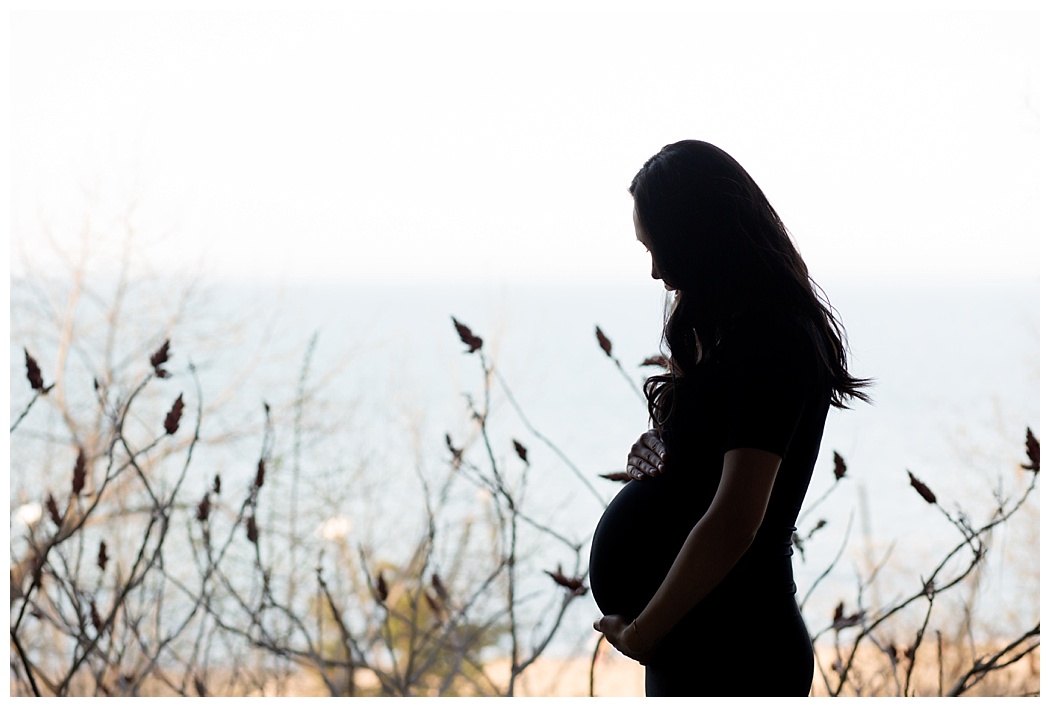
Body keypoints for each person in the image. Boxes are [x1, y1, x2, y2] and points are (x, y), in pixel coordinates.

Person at [588, 140, 870, 696]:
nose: (655, 270)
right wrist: (663, 449)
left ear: (703, 237)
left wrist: (646, 634)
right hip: (700, 642)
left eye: (661, 247)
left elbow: (736, 517)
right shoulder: (727, 333)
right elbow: (711, 468)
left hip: (737, 649)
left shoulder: (774, 340)